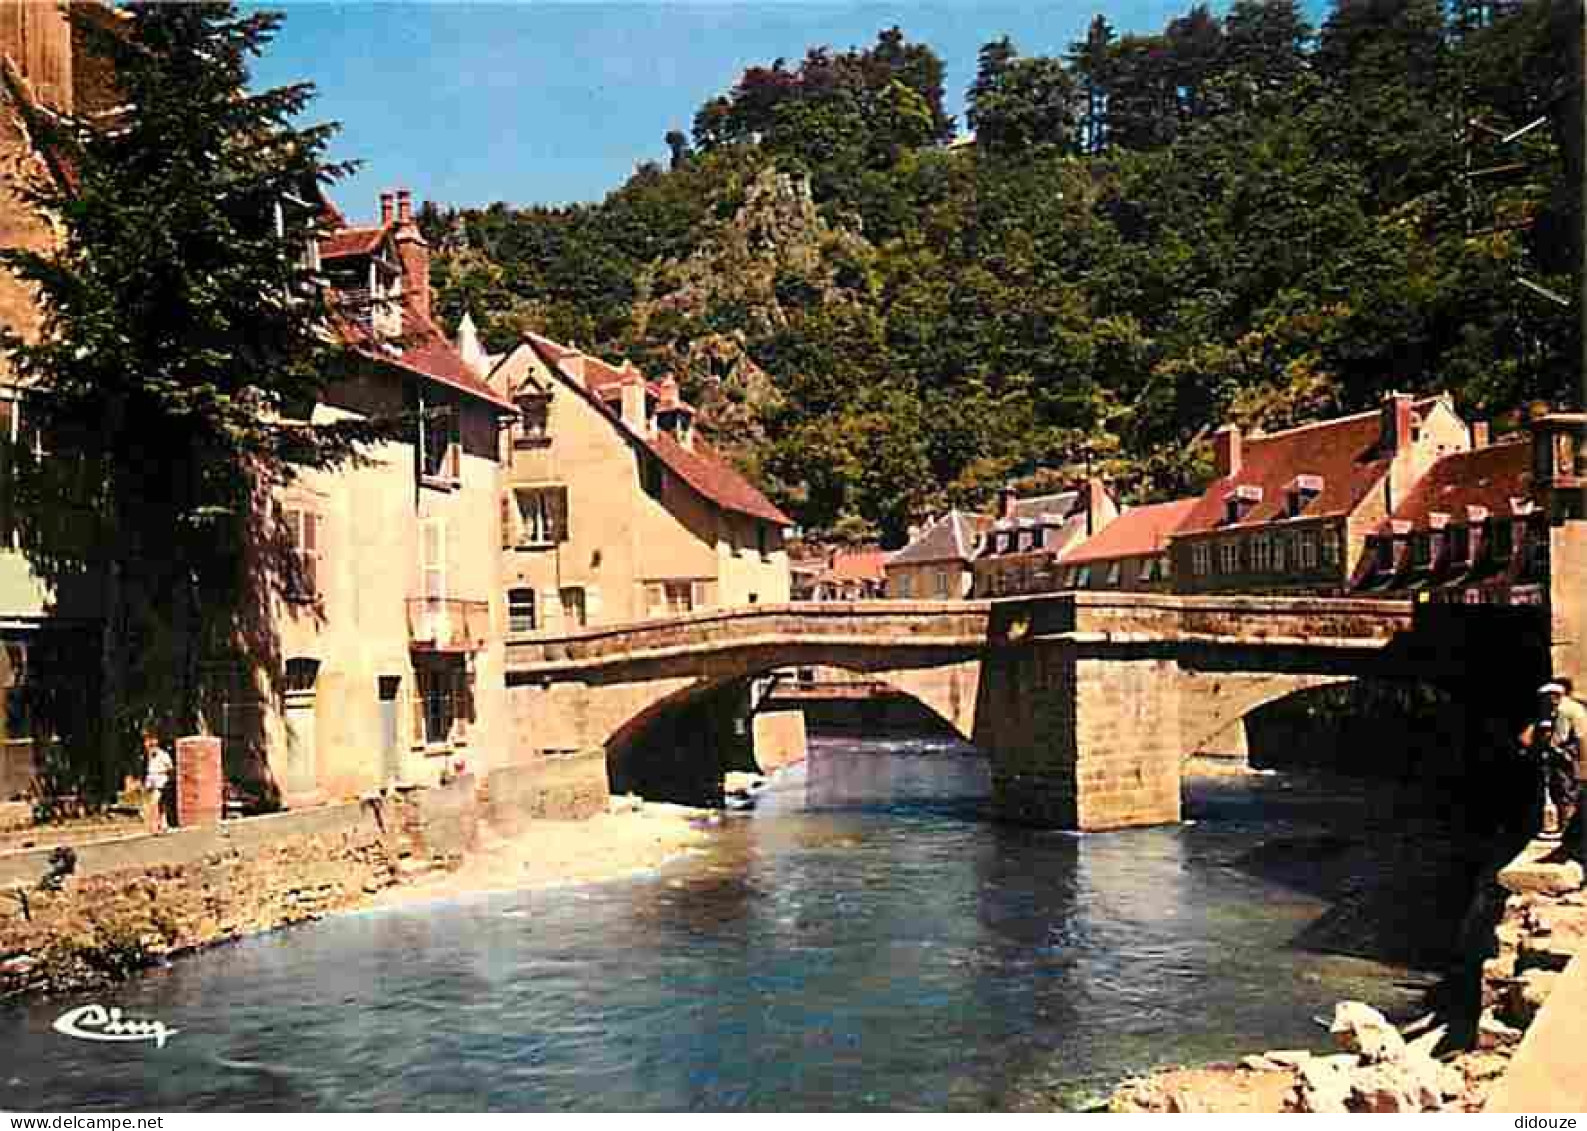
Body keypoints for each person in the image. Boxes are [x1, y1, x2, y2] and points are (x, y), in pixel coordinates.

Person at [1537, 682, 1583, 845]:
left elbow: (1560, 738)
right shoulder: (1574, 706)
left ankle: (1565, 830)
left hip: (1568, 755)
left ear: (1554, 696)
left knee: (1565, 791)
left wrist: (1546, 748)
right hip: (1575, 753)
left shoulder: (1563, 711)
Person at [142, 729, 173, 835]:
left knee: (154, 802)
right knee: (157, 804)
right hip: (151, 779)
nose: (150, 747)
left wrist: (160, 772)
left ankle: (155, 827)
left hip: (160, 781)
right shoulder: (149, 755)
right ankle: (163, 825)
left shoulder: (164, 755)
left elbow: (170, 768)